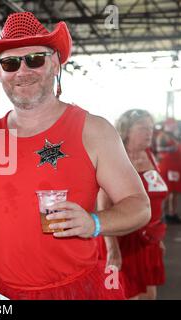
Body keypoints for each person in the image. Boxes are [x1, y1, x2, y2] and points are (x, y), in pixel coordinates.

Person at [0, 11, 151, 299]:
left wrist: (95, 222)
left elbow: (139, 206)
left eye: (35, 59)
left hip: (73, 290)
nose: (22, 71)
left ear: (55, 63)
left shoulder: (93, 130)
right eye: (10, 63)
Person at [98, 109, 168, 300]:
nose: (149, 133)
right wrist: (112, 249)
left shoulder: (150, 155)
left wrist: (157, 236)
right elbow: (102, 206)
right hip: (122, 240)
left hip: (147, 240)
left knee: (149, 295)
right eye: (143, 128)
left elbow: (155, 201)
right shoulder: (116, 157)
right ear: (127, 130)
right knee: (125, 295)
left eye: (151, 128)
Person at [155, 117, 181, 224]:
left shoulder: (174, 136)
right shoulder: (163, 135)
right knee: (166, 192)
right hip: (167, 167)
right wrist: (173, 149)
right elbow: (159, 149)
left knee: (175, 192)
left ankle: (172, 214)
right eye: (173, 124)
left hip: (175, 168)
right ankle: (160, 216)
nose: (175, 126)